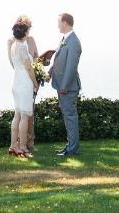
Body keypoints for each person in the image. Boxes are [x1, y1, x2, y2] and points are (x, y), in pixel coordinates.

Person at [50, 12, 82, 157]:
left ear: (65, 23)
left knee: (70, 117)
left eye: (58, 22)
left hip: (67, 88)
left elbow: (71, 66)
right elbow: (58, 61)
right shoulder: (65, 39)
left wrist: (64, 85)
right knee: (67, 117)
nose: (57, 25)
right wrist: (49, 73)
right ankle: (69, 146)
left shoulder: (74, 42)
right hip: (61, 86)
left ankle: (73, 149)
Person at [7, 15, 39, 152]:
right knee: (25, 117)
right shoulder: (22, 47)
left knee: (17, 116)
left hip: (16, 82)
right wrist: (35, 82)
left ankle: (13, 145)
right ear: (25, 32)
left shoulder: (13, 46)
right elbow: (29, 68)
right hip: (25, 83)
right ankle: (22, 147)